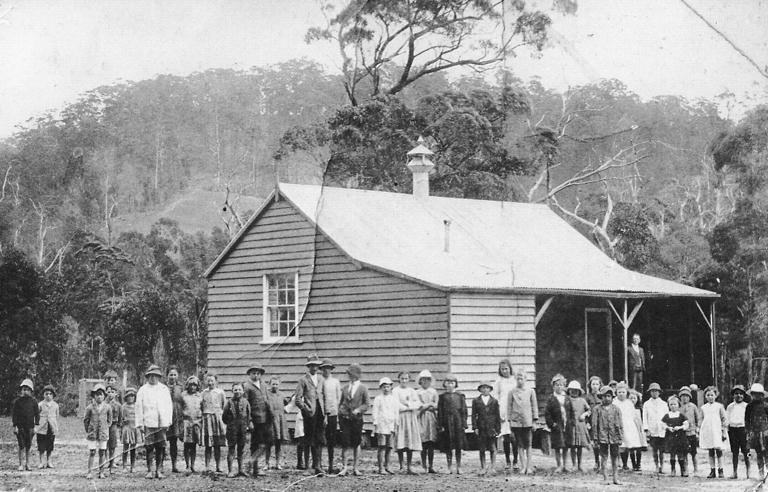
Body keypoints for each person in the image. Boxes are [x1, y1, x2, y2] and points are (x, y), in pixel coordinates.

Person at [135, 364, 173, 479]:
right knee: (149, 447)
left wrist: (167, 422)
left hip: (161, 424)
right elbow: (138, 408)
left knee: (160, 447)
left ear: (159, 377)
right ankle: (150, 470)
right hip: (148, 423)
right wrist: (140, 424)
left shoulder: (163, 389)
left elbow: (168, 406)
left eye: (155, 376)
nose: (153, 378)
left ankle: (159, 470)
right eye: (151, 376)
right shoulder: (143, 390)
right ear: (147, 377)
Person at [294, 354, 326, 475]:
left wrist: (326, 414)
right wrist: (305, 409)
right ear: (308, 367)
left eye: (316, 366)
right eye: (312, 366)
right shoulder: (303, 380)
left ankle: (317, 466)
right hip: (309, 413)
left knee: (319, 439)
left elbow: (324, 396)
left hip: (320, 412)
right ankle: (307, 467)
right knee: (308, 439)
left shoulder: (321, 379)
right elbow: (298, 399)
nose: (314, 368)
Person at [338, 364, 369, 476]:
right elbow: (341, 403)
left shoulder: (362, 388)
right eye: (349, 374)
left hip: (357, 420)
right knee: (345, 443)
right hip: (345, 419)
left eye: (351, 374)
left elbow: (367, 404)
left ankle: (355, 468)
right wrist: (341, 411)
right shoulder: (345, 388)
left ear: (356, 376)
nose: (349, 376)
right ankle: (344, 467)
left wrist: (358, 410)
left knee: (356, 443)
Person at [591, 386, 623, 485]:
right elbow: (594, 424)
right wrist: (595, 438)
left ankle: (615, 478)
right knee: (603, 457)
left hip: (614, 436)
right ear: (601, 397)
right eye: (604, 396)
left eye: (609, 396)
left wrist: (620, 436)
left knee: (615, 456)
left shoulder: (616, 409)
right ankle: (605, 478)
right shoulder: (597, 409)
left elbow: (620, 423)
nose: (607, 398)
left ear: (612, 397)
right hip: (602, 436)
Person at [243, 363, 271, 477]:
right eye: (253, 373)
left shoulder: (263, 385)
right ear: (249, 374)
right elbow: (245, 404)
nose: (256, 375)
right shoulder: (247, 386)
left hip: (265, 419)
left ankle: (252, 464)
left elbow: (267, 399)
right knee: (256, 444)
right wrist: (249, 421)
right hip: (255, 419)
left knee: (266, 443)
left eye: (258, 373)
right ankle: (253, 467)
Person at [508, 368, 538, 475]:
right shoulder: (512, 392)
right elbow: (509, 407)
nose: (520, 381)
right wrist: (509, 422)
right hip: (516, 422)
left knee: (528, 444)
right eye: (518, 379)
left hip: (527, 422)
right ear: (516, 379)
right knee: (519, 444)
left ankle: (529, 466)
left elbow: (534, 407)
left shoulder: (530, 391)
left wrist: (534, 421)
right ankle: (523, 466)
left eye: (522, 379)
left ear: (526, 379)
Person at [393, 371, 422, 474]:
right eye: (402, 379)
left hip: (410, 418)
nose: (404, 380)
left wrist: (408, 404)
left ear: (409, 380)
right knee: (401, 440)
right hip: (401, 417)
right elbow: (396, 404)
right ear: (399, 379)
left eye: (406, 379)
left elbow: (417, 403)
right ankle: (401, 465)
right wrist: (406, 407)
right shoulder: (395, 390)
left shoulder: (412, 391)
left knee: (410, 441)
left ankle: (409, 466)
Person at [438, 373, 467, 474]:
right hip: (446, 422)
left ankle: (459, 466)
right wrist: (440, 424)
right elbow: (440, 411)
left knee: (458, 445)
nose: (450, 385)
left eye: (452, 383)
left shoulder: (460, 396)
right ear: (445, 384)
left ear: (455, 384)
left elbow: (464, 411)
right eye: (448, 383)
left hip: (457, 421)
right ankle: (449, 466)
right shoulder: (442, 397)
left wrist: (464, 423)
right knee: (448, 445)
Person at [493, 359, 518, 471]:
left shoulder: (515, 380)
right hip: (503, 409)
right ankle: (508, 460)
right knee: (506, 438)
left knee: (515, 437)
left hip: (514, 409)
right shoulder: (499, 381)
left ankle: (516, 460)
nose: (504, 371)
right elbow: (496, 396)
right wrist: (499, 412)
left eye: (506, 368)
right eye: (502, 369)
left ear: (510, 369)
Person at [83, 383, 111, 479]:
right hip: (92, 433)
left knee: (102, 452)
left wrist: (105, 428)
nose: (99, 396)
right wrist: (89, 429)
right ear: (94, 396)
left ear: (104, 396)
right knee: (92, 452)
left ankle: (101, 472)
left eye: (101, 394)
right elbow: (86, 420)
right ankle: (90, 472)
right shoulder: (90, 407)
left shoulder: (107, 407)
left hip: (103, 433)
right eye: (97, 394)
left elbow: (109, 421)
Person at [222, 382, 251, 477]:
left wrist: (246, 426)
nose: (237, 392)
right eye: (235, 390)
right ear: (232, 391)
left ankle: (240, 470)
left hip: (242, 429)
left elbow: (248, 415)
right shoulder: (229, 403)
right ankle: (230, 471)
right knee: (231, 449)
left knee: (241, 449)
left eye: (239, 390)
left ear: (243, 391)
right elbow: (224, 417)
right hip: (232, 429)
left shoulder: (246, 402)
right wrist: (231, 424)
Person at [473, 381, 500, 475]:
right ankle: (483, 467)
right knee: (482, 448)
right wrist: (475, 427)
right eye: (483, 388)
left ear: (490, 389)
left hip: (492, 427)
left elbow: (497, 415)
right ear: (480, 389)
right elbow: (473, 415)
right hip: (481, 427)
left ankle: (492, 467)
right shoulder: (476, 401)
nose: (485, 390)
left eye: (487, 388)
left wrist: (498, 428)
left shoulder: (494, 401)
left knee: (493, 447)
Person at [200, 372, 226, 474]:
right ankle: (207, 466)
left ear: (216, 381)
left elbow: (224, 406)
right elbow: (201, 406)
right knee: (208, 445)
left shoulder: (220, 392)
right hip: (207, 419)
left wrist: (220, 417)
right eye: (208, 380)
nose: (210, 383)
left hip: (217, 419)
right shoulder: (203, 393)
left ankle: (218, 466)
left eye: (212, 381)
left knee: (217, 445)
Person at [372, 377, 398, 475]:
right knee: (381, 447)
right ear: (381, 388)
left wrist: (396, 424)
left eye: (388, 387)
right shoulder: (378, 399)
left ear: (391, 387)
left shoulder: (393, 399)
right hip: (381, 426)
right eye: (384, 387)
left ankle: (388, 465)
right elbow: (375, 412)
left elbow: (396, 412)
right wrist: (376, 424)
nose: (386, 389)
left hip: (390, 425)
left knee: (389, 447)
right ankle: (381, 467)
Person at [700, 385, 727, 478]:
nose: (710, 397)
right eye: (708, 395)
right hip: (708, 431)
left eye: (712, 395)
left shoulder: (719, 406)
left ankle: (721, 470)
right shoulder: (703, 407)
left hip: (717, 431)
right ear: (705, 396)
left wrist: (723, 431)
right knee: (710, 450)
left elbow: (724, 419)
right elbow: (702, 420)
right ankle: (712, 470)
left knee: (719, 451)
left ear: (716, 395)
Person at [13, 378, 40, 472]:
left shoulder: (33, 402)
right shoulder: (17, 402)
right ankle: (21, 464)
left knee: (28, 446)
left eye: (28, 389)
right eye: (24, 389)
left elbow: (37, 414)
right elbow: (14, 415)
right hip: (20, 427)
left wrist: (36, 426)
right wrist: (15, 426)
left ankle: (28, 463)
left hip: (30, 427)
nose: (25, 391)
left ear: (31, 391)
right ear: (21, 390)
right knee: (21, 446)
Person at [320, 359, 342, 475]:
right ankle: (318, 465)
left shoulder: (335, 382)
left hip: (333, 414)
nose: (326, 370)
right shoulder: (320, 381)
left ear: (331, 369)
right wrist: (324, 415)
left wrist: (335, 413)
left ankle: (330, 464)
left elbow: (339, 398)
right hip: (321, 414)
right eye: (324, 368)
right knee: (319, 439)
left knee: (331, 439)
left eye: (328, 368)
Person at [544, 373, 568, 472]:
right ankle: (559, 465)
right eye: (557, 385)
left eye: (561, 385)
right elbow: (547, 413)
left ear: (564, 386)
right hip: (557, 425)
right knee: (558, 446)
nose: (559, 387)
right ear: (553, 386)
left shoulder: (566, 397)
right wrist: (552, 424)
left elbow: (570, 410)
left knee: (566, 445)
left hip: (566, 424)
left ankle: (565, 465)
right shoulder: (551, 399)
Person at [642, 382, 668, 474]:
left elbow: (667, 416)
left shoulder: (664, 404)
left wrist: (666, 427)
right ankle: (656, 466)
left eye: (656, 391)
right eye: (652, 391)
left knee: (661, 450)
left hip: (661, 429)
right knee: (654, 449)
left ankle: (662, 466)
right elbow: (644, 417)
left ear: (659, 392)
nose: (654, 393)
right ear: (650, 392)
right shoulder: (646, 404)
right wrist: (646, 429)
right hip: (652, 429)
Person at [416, 369, 438, 473]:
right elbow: (418, 406)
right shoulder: (417, 392)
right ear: (420, 381)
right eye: (423, 380)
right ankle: (423, 465)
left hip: (431, 417)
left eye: (428, 380)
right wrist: (428, 405)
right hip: (421, 417)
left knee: (431, 443)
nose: (425, 382)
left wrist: (431, 406)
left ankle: (431, 465)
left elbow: (436, 405)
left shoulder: (433, 392)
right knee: (423, 442)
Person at [564, 380, 590, 472]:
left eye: (576, 390)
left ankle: (580, 464)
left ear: (579, 391)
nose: (574, 392)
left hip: (580, 425)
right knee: (572, 446)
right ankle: (574, 464)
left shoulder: (582, 401)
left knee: (579, 446)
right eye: (572, 390)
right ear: (569, 391)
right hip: (571, 425)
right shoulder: (567, 400)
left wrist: (584, 415)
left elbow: (589, 410)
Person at [265, 376, 289, 470]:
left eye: (276, 384)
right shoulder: (266, 394)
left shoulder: (282, 395)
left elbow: (287, 403)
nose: (274, 386)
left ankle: (278, 463)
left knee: (278, 442)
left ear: (279, 385)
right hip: (270, 420)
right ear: (269, 384)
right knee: (268, 442)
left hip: (280, 419)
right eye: (273, 384)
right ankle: (267, 463)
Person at [661, 395, 689, 477]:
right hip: (671, 437)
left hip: (680, 437)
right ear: (668, 406)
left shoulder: (681, 415)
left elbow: (686, 424)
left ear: (678, 405)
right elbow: (662, 424)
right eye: (671, 404)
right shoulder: (667, 415)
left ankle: (682, 470)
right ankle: (673, 469)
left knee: (680, 453)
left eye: (675, 404)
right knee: (672, 453)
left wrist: (680, 427)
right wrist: (668, 427)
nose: (673, 406)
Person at [726, 384, 749, 479]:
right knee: (734, 452)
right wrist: (727, 430)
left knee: (745, 452)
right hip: (733, 430)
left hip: (743, 429)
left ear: (744, 395)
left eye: (740, 394)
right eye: (736, 393)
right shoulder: (730, 406)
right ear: (733, 395)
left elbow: (748, 419)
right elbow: (727, 419)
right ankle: (735, 472)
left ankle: (748, 472)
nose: (738, 395)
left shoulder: (746, 406)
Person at [181, 376, 203, 474]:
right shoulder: (183, 395)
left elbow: (202, 407)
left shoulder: (200, 396)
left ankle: (193, 465)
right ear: (188, 385)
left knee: (193, 445)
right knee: (186, 445)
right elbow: (180, 407)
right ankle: (187, 465)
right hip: (186, 422)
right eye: (191, 385)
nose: (193, 387)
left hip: (196, 422)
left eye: (195, 385)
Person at [746, 382, 768, 477]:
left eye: (759, 394)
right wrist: (748, 431)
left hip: (765, 432)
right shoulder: (749, 406)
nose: (756, 396)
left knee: (766, 453)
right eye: (754, 394)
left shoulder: (766, 406)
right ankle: (761, 472)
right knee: (758, 452)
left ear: (762, 395)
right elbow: (747, 419)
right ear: (751, 395)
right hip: (754, 432)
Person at [678, 385, 701, 474]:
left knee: (694, 452)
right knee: (684, 452)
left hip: (692, 432)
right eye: (683, 396)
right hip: (682, 433)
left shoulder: (693, 406)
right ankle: (685, 469)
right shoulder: (678, 407)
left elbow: (698, 418)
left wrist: (697, 429)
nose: (684, 398)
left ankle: (696, 469)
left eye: (686, 396)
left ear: (690, 397)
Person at [166, 366, 184, 473]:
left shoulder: (181, 387)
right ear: (167, 376)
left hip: (177, 415)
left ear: (177, 376)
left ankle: (174, 465)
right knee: (162, 441)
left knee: (174, 442)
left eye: (174, 374)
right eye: (171, 374)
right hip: (167, 414)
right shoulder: (164, 387)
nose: (173, 377)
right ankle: (161, 465)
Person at [35, 384, 58, 469]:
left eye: (50, 394)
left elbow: (56, 416)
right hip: (42, 427)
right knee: (41, 445)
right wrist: (37, 426)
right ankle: (41, 461)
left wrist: (54, 425)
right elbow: (37, 416)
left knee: (50, 445)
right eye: (46, 394)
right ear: (43, 395)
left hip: (51, 427)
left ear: (53, 395)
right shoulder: (40, 404)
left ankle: (49, 461)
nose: (48, 396)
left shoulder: (55, 405)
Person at [585, 375, 603, 472]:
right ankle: (597, 461)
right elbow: (585, 411)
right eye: (593, 384)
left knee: (603, 443)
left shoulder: (603, 395)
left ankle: (603, 461)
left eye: (597, 384)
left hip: (602, 422)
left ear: (600, 385)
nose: (595, 386)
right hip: (593, 423)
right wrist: (587, 422)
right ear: (590, 385)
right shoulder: (588, 397)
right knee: (595, 443)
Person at [120, 387, 140, 473]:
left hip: (134, 428)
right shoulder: (123, 407)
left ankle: (133, 466)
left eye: (132, 396)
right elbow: (120, 419)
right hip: (126, 429)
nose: (131, 398)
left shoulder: (137, 406)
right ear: (126, 397)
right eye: (129, 396)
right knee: (125, 448)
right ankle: (124, 465)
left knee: (133, 448)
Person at [627, 390, 647, 471]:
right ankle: (633, 464)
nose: (632, 400)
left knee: (639, 447)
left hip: (638, 429)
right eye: (631, 398)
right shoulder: (627, 408)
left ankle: (638, 464)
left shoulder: (640, 409)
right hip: (630, 429)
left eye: (634, 398)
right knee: (631, 447)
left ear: (637, 399)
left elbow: (643, 419)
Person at [105, 385, 123, 475]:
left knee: (112, 445)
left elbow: (120, 417)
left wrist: (119, 427)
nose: (110, 394)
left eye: (112, 392)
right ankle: (105, 461)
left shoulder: (118, 405)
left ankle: (111, 464)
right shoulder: (104, 404)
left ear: (116, 394)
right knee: (104, 445)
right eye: (108, 392)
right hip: (105, 426)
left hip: (113, 426)